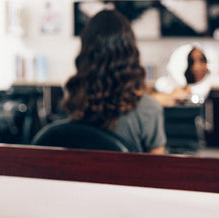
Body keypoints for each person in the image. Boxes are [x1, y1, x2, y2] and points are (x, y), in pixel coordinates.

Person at [62, 9, 166, 154]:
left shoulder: (70, 102)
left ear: (85, 53)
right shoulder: (149, 109)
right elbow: (158, 170)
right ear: (130, 53)